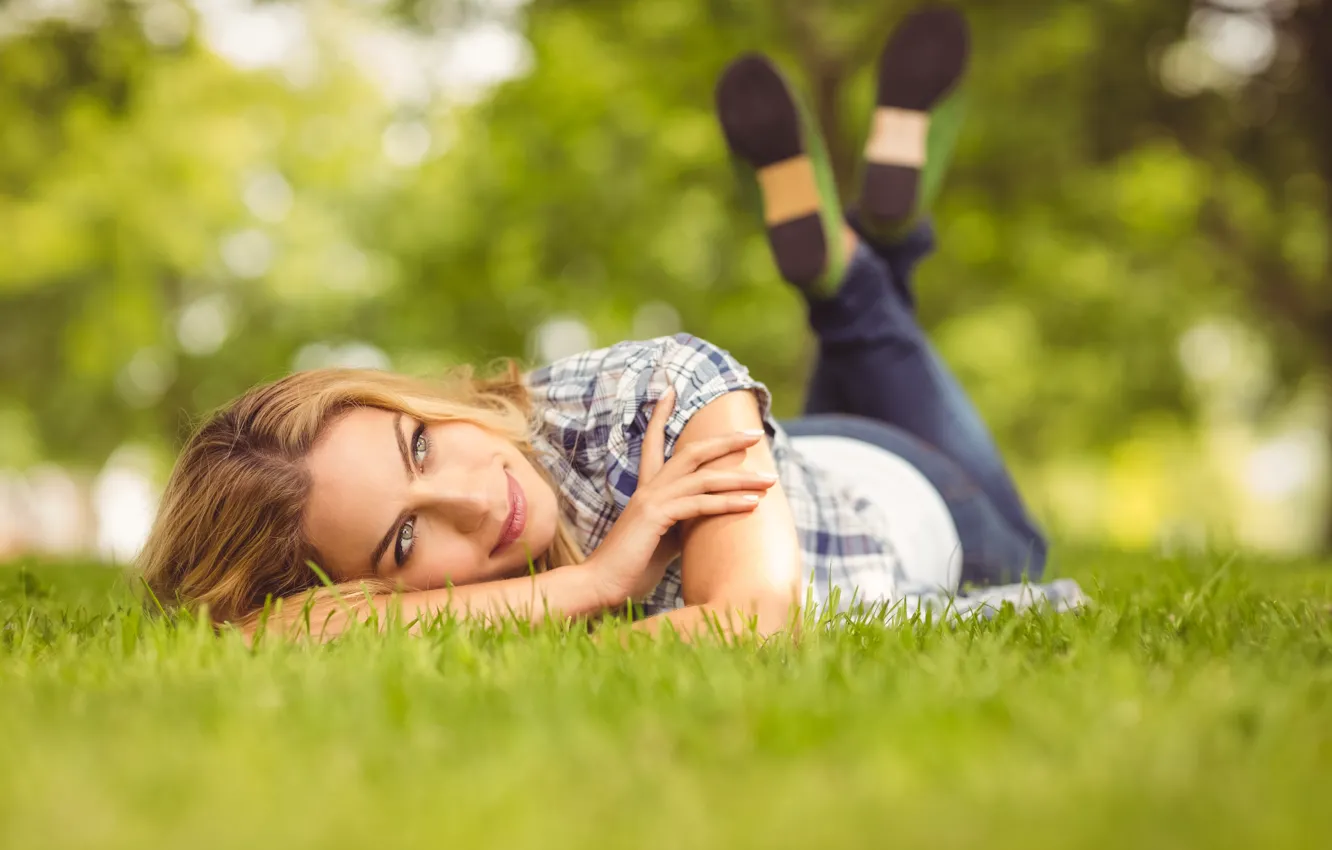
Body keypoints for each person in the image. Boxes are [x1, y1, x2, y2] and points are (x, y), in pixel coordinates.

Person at [138, 5, 1085, 639]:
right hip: (805, 464)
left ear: (418, 397)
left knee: (1005, 520)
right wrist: (592, 583)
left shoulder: (644, 393)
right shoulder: (463, 589)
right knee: (862, 324)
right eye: (404, 542)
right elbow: (264, 634)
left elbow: (752, 624)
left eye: (421, 447)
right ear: (358, 590)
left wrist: (570, 600)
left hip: (919, 495)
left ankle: (865, 264)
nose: (473, 504)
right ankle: (884, 231)